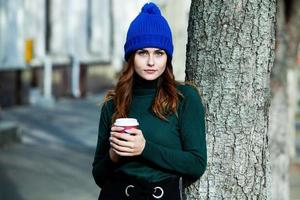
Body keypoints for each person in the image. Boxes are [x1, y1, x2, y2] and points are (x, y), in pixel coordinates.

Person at [92, 2, 207, 200]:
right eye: (143, 52)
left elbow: (196, 164)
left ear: (167, 57)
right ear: (131, 56)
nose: (151, 62)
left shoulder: (185, 98)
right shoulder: (113, 103)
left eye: (159, 53)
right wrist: (113, 156)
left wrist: (144, 148)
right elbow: (99, 176)